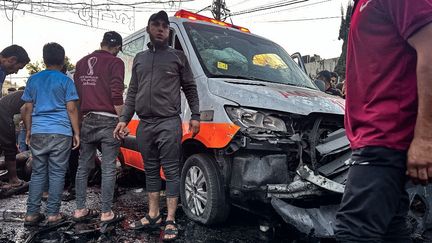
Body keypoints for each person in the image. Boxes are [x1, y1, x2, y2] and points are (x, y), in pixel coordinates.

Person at [335, 0, 432, 242]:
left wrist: (425, 138)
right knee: (391, 230)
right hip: (377, 138)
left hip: (386, 138)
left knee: (354, 233)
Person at [114, 10, 200, 241]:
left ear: (168, 31)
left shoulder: (178, 57)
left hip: (168, 122)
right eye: (156, 25)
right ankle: (153, 214)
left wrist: (196, 115)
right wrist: (123, 119)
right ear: (149, 29)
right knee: (150, 170)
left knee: (171, 171)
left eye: (165, 26)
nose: (161, 29)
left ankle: (170, 218)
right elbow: (132, 92)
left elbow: (190, 88)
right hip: (145, 124)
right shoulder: (140, 59)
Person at [22, 42, 80, 226]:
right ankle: (53, 214)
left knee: (38, 173)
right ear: (63, 61)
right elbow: (71, 109)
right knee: (57, 173)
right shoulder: (65, 80)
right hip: (61, 131)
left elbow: (27, 107)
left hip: (39, 130)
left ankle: (31, 214)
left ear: (44, 59)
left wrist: (29, 130)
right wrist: (76, 132)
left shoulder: (33, 79)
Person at [72, 31, 125, 225]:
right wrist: (123, 119)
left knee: (83, 166)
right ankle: (106, 212)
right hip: (109, 120)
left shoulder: (80, 63)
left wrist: (77, 127)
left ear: (101, 43)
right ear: (117, 47)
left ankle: (79, 209)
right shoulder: (115, 62)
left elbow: (77, 98)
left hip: (88, 119)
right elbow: (116, 93)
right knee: (109, 167)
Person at [0, 90, 28, 189]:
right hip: (3, 113)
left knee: (7, 146)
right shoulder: (35, 93)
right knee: (9, 147)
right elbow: (24, 110)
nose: (16, 72)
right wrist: (29, 131)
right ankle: (14, 179)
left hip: (4, 112)